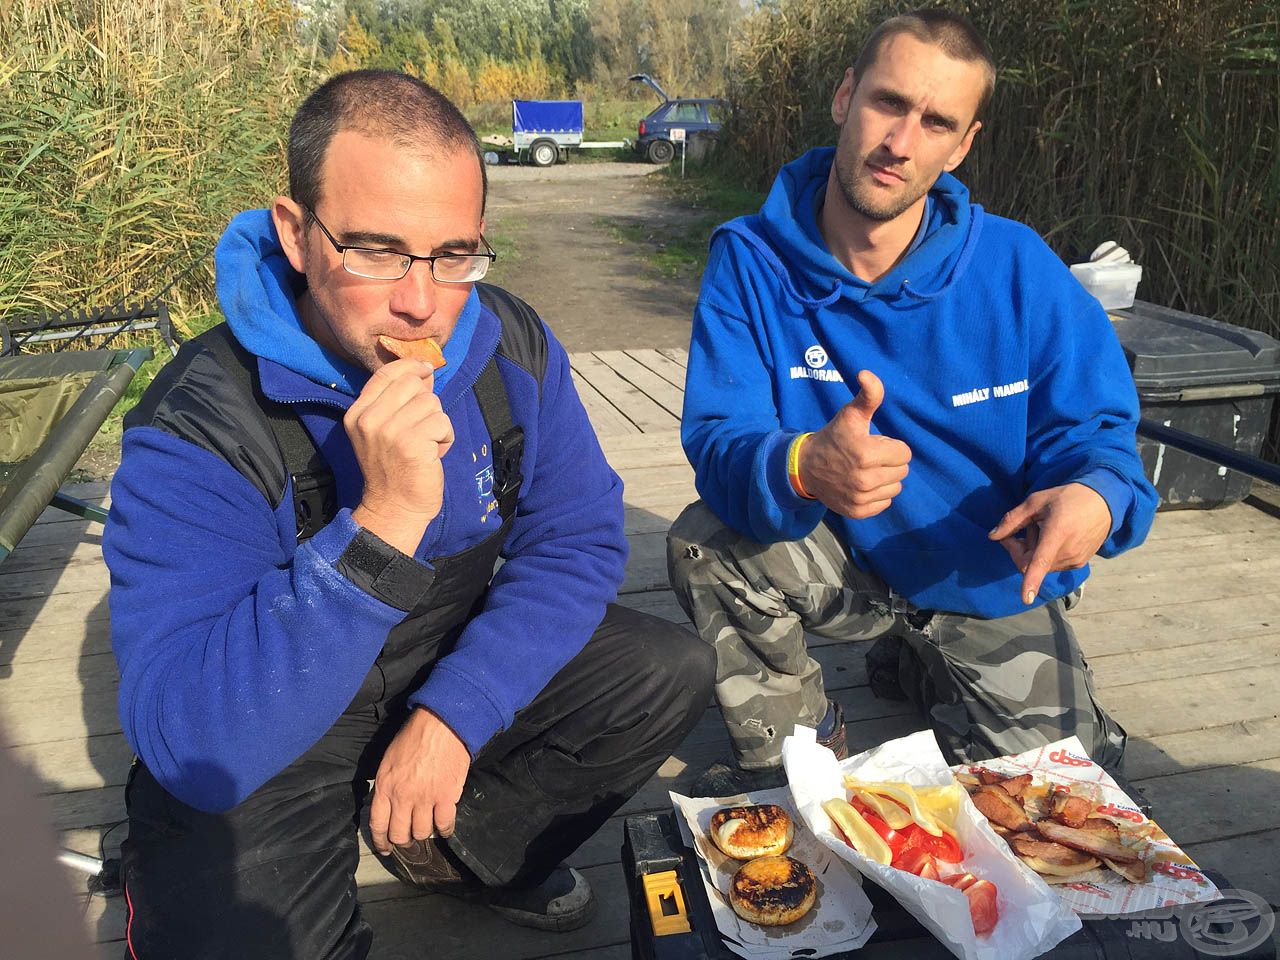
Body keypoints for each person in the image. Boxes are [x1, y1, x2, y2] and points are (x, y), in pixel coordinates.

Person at [105, 70, 714, 958]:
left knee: (665, 668)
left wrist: (458, 712)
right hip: (273, 718)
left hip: (441, 652)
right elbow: (187, 729)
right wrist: (381, 525)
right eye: (377, 251)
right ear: (296, 234)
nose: (421, 301)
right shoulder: (201, 425)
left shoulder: (509, 345)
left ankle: (448, 853)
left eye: (454, 253)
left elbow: (578, 540)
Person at [667, 9, 1157, 796]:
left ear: (963, 144)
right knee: (707, 542)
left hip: (984, 568)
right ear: (844, 96)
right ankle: (796, 750)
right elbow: (721, 438)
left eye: (936, 122)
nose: (901, 142)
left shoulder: (1020, 267)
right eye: (888, 103)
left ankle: (936, 664)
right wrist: (803, 466)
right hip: (840, 560)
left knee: (1051, 796)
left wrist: (1095, 499)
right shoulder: (749, 259)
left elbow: (1100, 435)